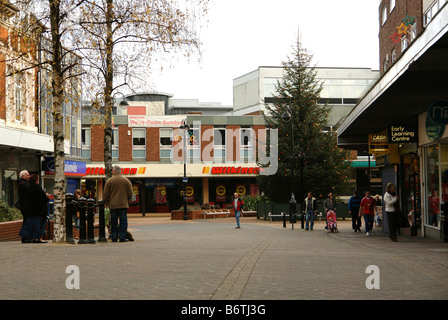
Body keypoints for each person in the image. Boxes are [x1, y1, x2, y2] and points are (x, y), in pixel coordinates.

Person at [103, 165, 133, 242]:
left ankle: (114, 237)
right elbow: (130, 193)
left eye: (112, 170)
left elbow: (106, 193)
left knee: (113, 222)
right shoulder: (126, 181)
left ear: (114, 171)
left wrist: (106, 202)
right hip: (123, 204)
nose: (112, 172)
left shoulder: (109, 181)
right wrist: (126, 200)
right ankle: (122, 237)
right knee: (123, 221)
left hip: (113, 205)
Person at [27, 174, 50, 243]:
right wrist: (46, 195)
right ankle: (39, 238)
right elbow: (44, 198)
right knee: (41, 224)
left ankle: (35, 238)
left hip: (32, 210)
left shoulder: (29, 187)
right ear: (36, 180)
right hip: (40, 210)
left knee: (35, 225)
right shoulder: (37, 187)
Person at [18, 170, 32, 243]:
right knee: (27, 221)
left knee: (27, 221)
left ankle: (25, 237)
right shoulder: (24, 184)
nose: (29, 176)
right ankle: (25, 237)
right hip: (26, 206)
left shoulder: (23, 183)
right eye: (27, 175)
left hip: (25, 205)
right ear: (23, 176)